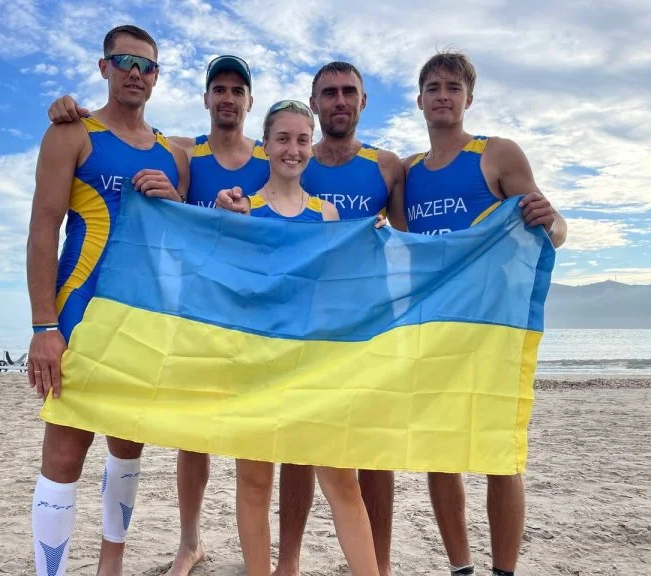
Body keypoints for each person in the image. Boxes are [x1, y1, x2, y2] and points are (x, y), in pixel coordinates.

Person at [47, 53, 267, 576]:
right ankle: (188, 543)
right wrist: (70, 107)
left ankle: (273, 560)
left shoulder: (263, 155)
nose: (228, 98)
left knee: (247, 446)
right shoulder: (183, 152)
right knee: (179, 439)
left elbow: (302, 191)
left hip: (234, 316)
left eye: (238, 90)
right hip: (165, 312)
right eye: (220, 89)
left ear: (249, 100)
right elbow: (129, 144)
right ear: (206, 98)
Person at [217, 61, 406, 576]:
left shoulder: (327, 215)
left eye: (302, 139)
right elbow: (227, 285)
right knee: (255, 482)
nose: (293, 149)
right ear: (265, 144)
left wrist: (374, 242)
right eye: (282, 139)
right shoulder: (241, 209)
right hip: (256, 360)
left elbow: (338, 285)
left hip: (314, 361)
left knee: (341, 481)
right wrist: (223, 223)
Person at [26, 25, 188, 576]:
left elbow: (192, 234)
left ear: (157, 76)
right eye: (124, 61)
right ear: (104, 67)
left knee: (127, 446)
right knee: (63, 456)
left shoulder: (174, 155)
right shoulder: (72, 134)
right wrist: (43, 326)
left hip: (142, 319)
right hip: (80, 311)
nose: (135, 73)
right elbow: (43, 230)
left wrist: (176, 201)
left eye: (146, 65)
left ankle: (110, 564)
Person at [403, 51, 567, 576]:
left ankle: (504, 571)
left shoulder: (496, 154)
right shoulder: (408, 173)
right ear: (420, 100)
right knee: (440, 455)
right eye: (433, 87)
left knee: (500, 455)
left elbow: (555, 231)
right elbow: (394, 243)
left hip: (493, 330)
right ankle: (461, 568)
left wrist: (552, 219)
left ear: (468, 99)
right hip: (432, 329)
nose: (443, 96)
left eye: (453, 87)